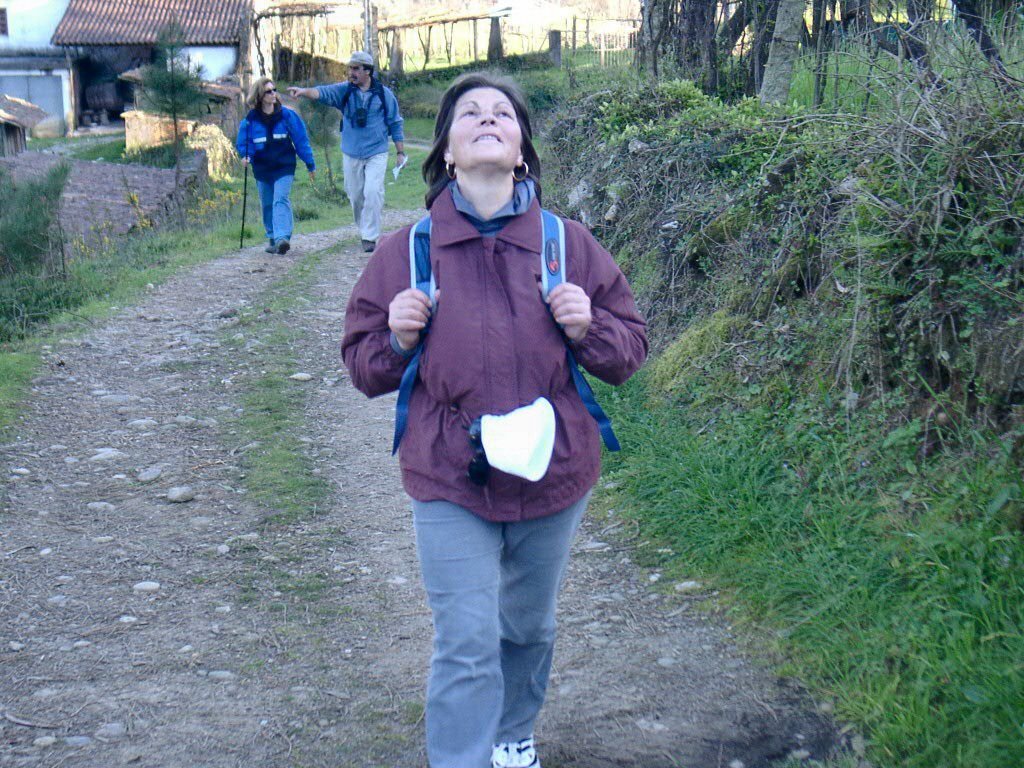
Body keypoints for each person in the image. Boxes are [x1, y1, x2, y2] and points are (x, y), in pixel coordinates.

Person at [341, 73, 648, 768]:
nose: (487, 119)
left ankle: (512, 733)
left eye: (502, 113)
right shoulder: (407, 253)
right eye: (470, 113)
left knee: (527, 628)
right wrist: (395, 340)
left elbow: (629, 352)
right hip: (449, 472)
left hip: (553, 470)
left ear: (521, 151)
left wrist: (589, 326)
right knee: (466, 639)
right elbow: (362, 366)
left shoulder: (568, 245)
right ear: (447, 151)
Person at [288, 51, 405, 253]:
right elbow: (322, 93)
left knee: (373, 192)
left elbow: (395, 122)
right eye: (350, 68)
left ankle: (369, 236)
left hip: (377, 152)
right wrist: (303, 91)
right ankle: (364, 227)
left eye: (356, 69)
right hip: (351, 152)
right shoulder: (344, 91)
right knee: (356, 195)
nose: (351, 72)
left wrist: (400, 152)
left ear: (367, 71)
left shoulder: (384, 94)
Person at [236, 77, 316, 255]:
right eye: (268, 91)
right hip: (262, 169)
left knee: (280, 199)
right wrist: (246, 156)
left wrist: (310, 163)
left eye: (274, 90)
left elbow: (301, 140)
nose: (273, 94)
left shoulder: (287, 116)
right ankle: (273, 238)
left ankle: (282, 238)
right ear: (260, 95)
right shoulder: (250, 121)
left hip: (284, 166)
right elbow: (245, 143)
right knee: (267, 203)